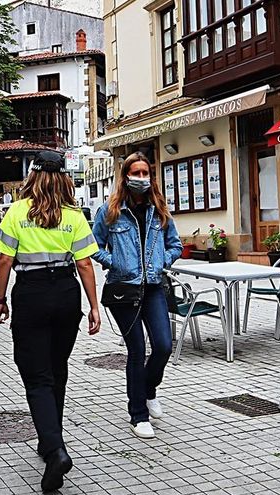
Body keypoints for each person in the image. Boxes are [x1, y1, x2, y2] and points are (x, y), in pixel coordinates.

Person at [0, 151, 101, 493]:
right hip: (67, 293)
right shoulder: (74, 215)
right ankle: (49, 439)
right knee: (57, 369)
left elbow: (5, 259)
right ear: (65, 179)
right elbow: (85, 264)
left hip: (31, 294)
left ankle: (55, 450)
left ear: (32, 176)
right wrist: (94, 306)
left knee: (36, 375)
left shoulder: (17, 212)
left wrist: (1, 299)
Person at [91, 152, 182, 440]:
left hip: (154, 287)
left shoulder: (159, 209)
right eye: (136, 173)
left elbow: (176, 245)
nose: (141, 178)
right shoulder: (110, 211)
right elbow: (93, 245)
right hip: (124, 289)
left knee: (164, 346)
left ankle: (149, 389)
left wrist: (162, 261)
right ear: (126, 176)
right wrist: (116, 261)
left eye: (146, 173)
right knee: (136, 350)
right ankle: (138, 414)